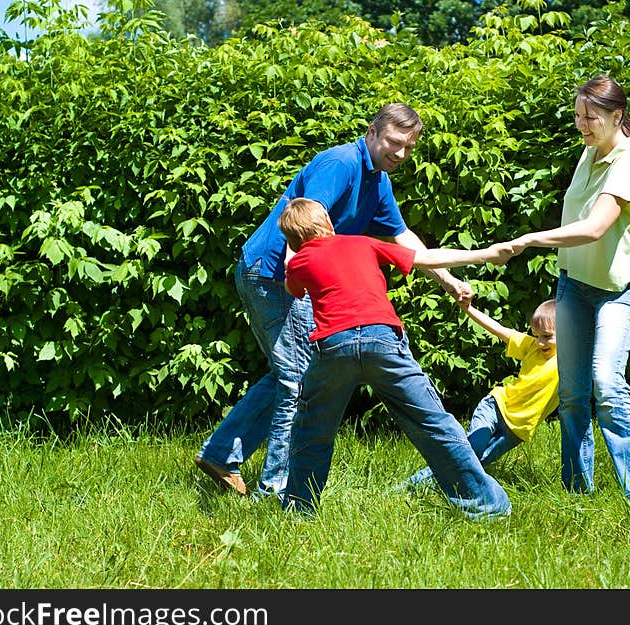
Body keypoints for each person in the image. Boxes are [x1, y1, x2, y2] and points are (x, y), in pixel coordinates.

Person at [195, 103, 476, 500]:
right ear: (373, 132)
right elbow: (307, 219)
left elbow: (402, 238)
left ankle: (222, 453)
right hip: (273, 274)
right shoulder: (341, 163)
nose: (400, 153)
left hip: (295, 278)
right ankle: (276, 491)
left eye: (409, 147)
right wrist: (297, 273)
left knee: (289, 372)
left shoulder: (379, 182)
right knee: (296, 378)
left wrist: (448, 280)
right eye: (394, 143)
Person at [278, 197, 515, 520]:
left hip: (333, 346)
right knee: (433, 422)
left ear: (293, 239)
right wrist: (486, 254)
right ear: (330, 224)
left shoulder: (299, 261)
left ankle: (299, 510)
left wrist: (293, 253)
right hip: (382, 338)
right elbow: (425, 257)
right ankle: (485, 506)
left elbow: (294, 290)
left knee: (311, 430)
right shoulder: (362, 243)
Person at [509, 75, 630, 499]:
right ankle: (576, 493)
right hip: (574, 285)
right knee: (572, 395)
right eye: (577, 116)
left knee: (606, 385)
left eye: (591, 118)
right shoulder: (588, 152)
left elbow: (593, 228)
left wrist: (529, 239)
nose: (582, 125)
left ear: (617, 116)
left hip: (618, 291)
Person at [402, 298, 558, 489]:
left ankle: (437, 486)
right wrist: (469, 310)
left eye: (547, 336)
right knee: (469, 453)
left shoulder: (568, 362)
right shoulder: (531, 346)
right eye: (536, 336)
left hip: (517, 431)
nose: (540, 342)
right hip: (496, 406)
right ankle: (412, 485)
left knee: (475, 465)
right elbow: (500, 330)